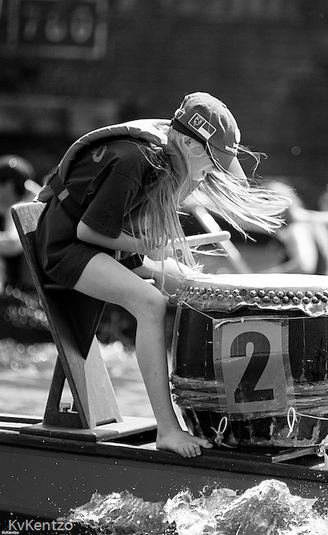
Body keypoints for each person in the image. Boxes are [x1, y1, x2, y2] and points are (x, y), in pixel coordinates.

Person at [34, 92, 288, 457]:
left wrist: (154, 249)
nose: (212, 171)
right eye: (211, 160)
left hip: (106, 248)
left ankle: (218, 413)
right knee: (150, 302)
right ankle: (168, 429)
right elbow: (87, 232)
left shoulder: (169, 153)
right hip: (66, 249)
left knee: (194, 283)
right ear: (186, 141)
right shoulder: (133, 160)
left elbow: (128, 231)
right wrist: (150, 247)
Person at [261, 179, 328, 276]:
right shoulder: (311, 223)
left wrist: (264, 276)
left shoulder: (297, 229)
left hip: (314, 289)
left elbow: (304, 267)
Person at [0, 155, 38, 290]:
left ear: (9, 186)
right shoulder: (35, 201)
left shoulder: (22, 208)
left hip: (27, 301)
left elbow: (12, 244)